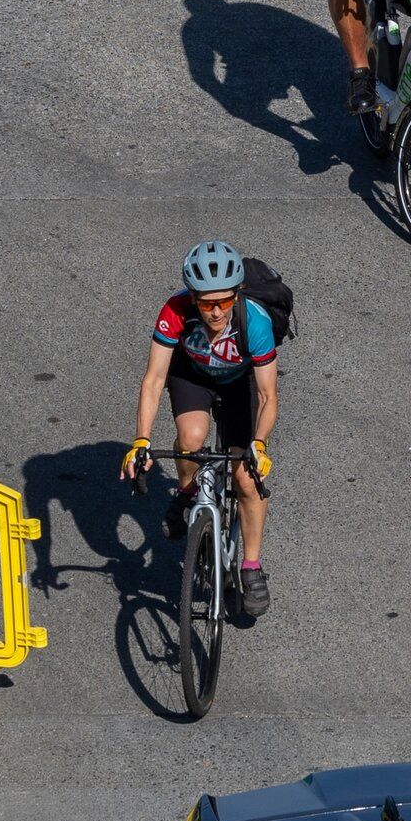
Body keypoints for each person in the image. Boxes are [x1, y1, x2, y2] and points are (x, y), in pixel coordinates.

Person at [120, 240, 280, 618]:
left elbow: (268, 395)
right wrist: (141, 440)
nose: (215, 311)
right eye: (206, 302)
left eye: (224, 302)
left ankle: (252, 567)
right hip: (192, 377)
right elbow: (153, 379)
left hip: (242, 387)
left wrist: (258, 444)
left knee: (245, 477)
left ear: (237, 294)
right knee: (191, 439)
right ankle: (188, 490)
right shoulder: (175, 310)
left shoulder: (253, 321)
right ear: (192, 297)